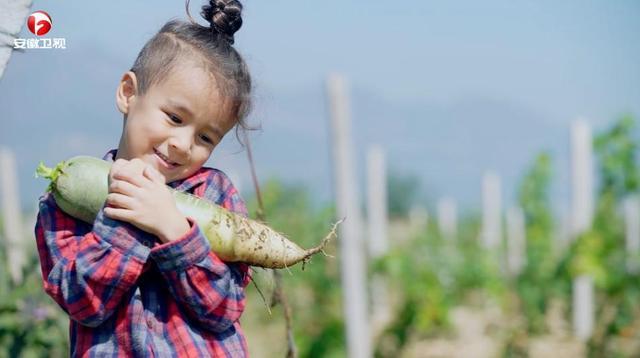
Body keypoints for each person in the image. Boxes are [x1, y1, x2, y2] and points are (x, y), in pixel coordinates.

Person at [34, 0, 254, 356]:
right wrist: (128, 221)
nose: (183, 144)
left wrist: (176, 232)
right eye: (174, 118)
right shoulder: (69, 195)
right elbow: (82, 304)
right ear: (128, 93)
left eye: (206, 138)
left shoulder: (215, 192)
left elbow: (223, 309)